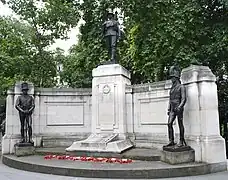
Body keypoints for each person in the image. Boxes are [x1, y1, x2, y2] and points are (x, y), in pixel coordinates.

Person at [165, 65, 187, 147]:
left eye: (172, 78)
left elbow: (184, 99)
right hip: (172, 109)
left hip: (178, 107)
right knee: (169, 124)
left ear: (176, 78)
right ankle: (171, 140)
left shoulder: (181, 87)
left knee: (180, 124)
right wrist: (169, 108)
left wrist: (180, 106)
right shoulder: (172, 88)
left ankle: (181, 141)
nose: (171, 79)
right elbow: (170, 99)